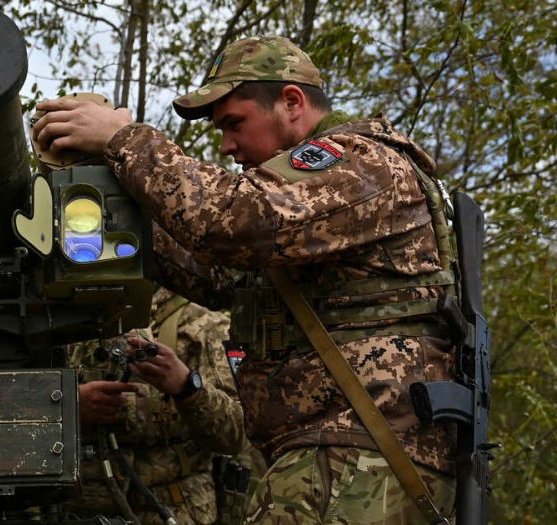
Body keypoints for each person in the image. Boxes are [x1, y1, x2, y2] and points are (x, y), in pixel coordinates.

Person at [33, 36, 458, 523]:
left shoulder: (363, 162)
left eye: (234, 124)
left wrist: (124, 140)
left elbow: (232, 219)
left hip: (362, 455)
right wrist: (102, 197)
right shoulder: (303, 210)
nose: (227, 146)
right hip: (330, 455)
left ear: (291, 102)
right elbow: (216, 275)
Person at [67, 287, 262, 525]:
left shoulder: (203, 325)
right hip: (80, 510)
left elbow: (239, 434)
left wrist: (188, 388)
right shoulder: (60, 318)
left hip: (177, 510)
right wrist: (70, 404)